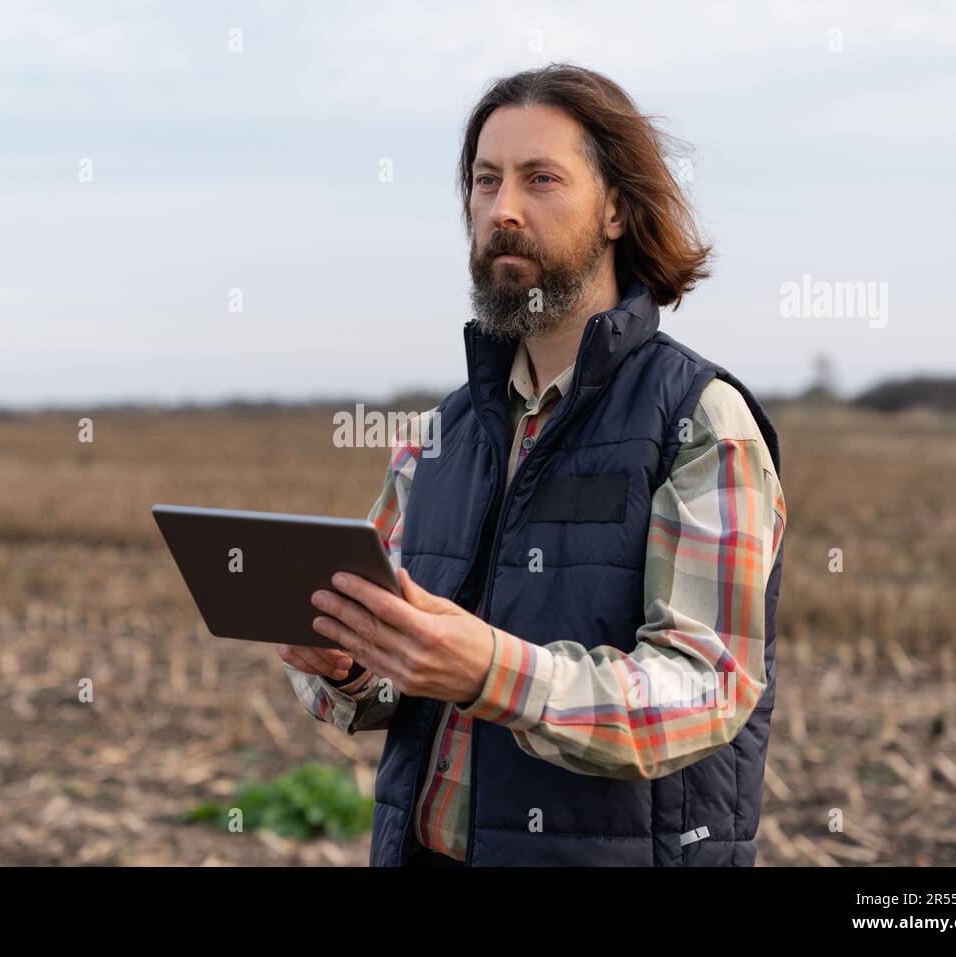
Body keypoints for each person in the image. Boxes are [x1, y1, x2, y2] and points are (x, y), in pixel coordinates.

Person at [279, 63, 786, 867]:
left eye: (540, 178)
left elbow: (706, 688)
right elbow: (392, 682)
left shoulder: (698, 418)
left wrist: (493, 670)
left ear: (618, 207)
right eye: (485, 181)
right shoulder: (437, 433)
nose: (502, 208)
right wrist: (346, 665)